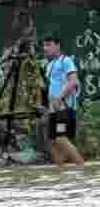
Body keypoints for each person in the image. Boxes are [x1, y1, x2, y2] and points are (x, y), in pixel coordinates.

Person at [41, 34, 85, 166]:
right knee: (54, 142)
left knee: (61, 139)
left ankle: (82, 168)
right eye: (44, 45)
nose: (45, 48)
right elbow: (49, 88)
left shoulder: (66, 61)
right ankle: (61, 177)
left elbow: (73, 82)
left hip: (64, 108)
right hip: (54, 110)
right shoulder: (49, 65)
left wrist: (60, 98)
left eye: (49, 45)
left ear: (57, 45)